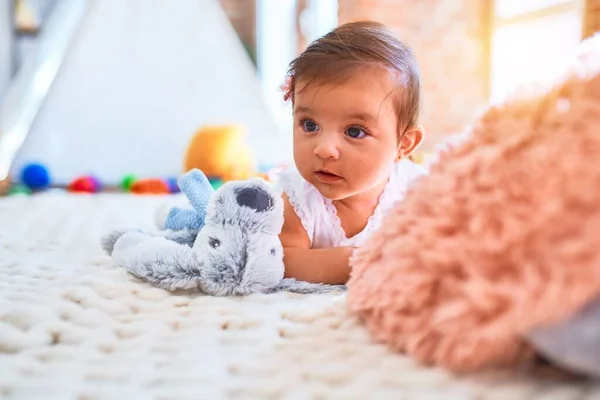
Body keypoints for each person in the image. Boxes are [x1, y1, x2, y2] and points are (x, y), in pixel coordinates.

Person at [275, 21, 427, 285]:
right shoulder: (298, 199)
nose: (324, 148)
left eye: (354, 131)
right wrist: (354, 262)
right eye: (309, 125)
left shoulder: (417, 193)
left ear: (403, 145)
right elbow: (280, 260)